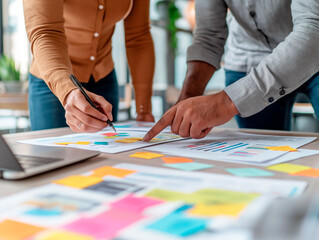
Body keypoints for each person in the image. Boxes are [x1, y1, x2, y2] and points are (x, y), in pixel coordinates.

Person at [143, 0, 319, 141]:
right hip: (248, 59)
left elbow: (312, 31)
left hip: (314, 49)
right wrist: (188, 95)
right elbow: (208, 36)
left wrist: (225, 102)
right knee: (259, 159)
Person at [23, 0, 155, 132]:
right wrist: (67, 91)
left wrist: (144, 110)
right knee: (53, 152)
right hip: (54, 82)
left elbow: (139, 37)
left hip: (104, 79)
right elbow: (45, 32)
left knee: (108, 151)